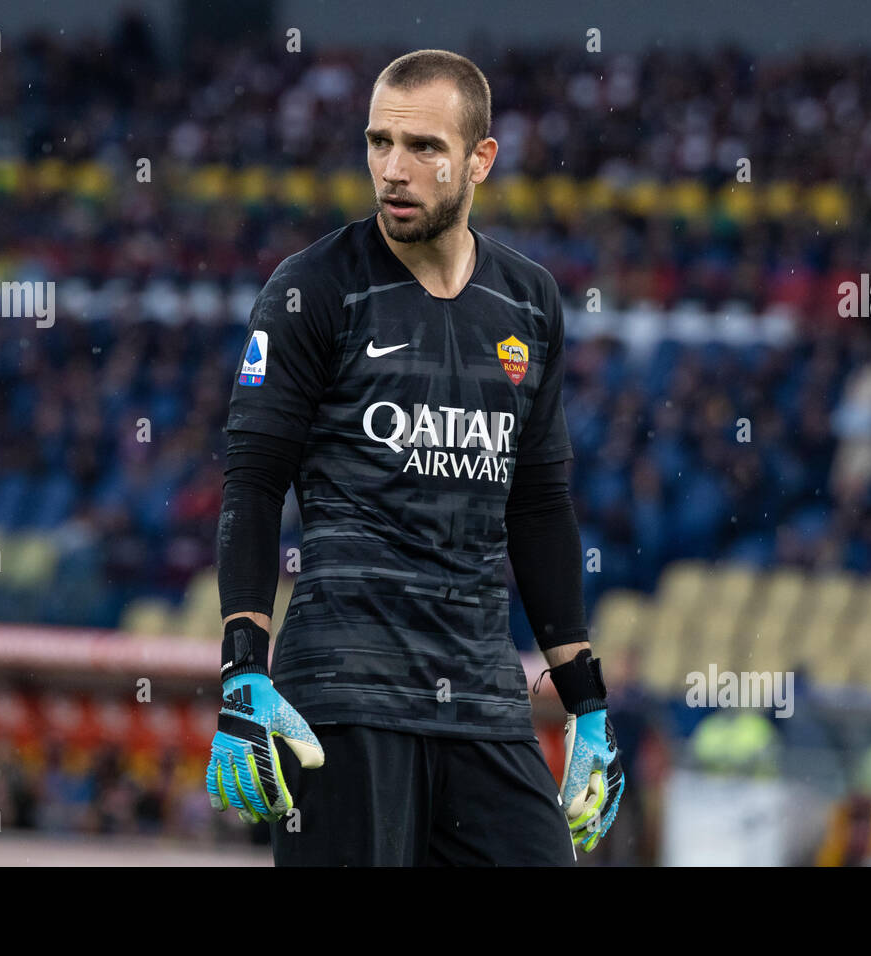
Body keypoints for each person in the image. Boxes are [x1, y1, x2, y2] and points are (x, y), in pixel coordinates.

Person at [204, 49, 624, 866]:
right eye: (378, 142)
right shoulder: (311, 289)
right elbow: (253, 485)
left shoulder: (529, 301)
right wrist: (243, 673)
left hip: (483, 699)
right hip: (345, 696)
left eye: (424, 147)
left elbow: (538, 506)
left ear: (480, 159)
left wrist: (588, 703)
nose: (393, 170)